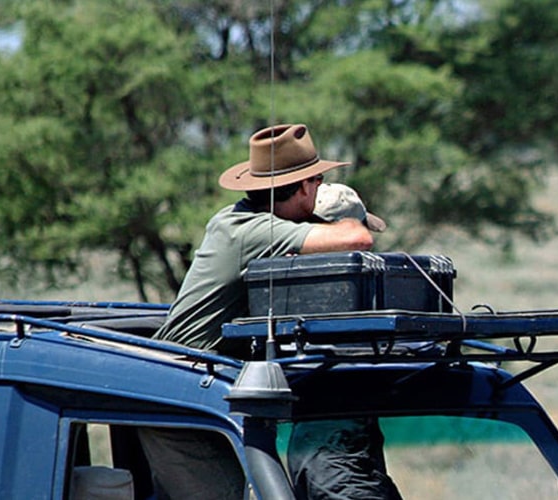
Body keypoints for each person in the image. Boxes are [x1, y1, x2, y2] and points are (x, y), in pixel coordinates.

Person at [141, 124, 398, 500]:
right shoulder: (247, 229)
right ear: (306, 185)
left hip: (213, 388)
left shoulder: (258, 227)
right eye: (318, 180)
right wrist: (349, 216)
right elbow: (358, 238)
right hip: (183, 394)